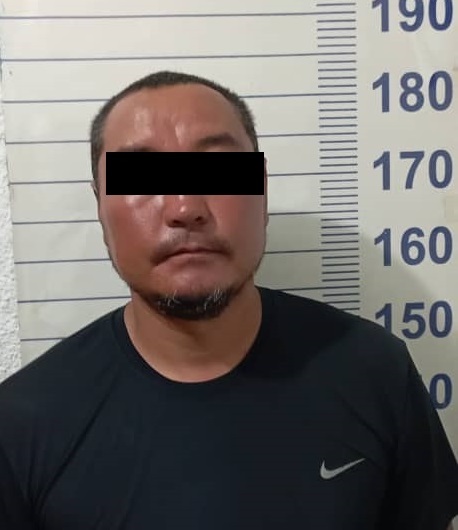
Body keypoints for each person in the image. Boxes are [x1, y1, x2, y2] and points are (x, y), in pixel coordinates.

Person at [0, 70, 457, 530]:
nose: (185, 207)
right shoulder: (22, 424)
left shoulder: (376, 372)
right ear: (100, 205)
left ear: (262, 190)